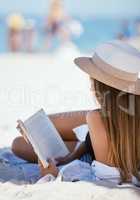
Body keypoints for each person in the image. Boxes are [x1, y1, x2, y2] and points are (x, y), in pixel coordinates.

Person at [12, 40, 140, 184]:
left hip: (100, 142)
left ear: (101, 86)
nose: (91, 88)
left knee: (20, 144)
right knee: (32, 130)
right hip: (100, 134)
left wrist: (51, 176)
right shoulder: (106, 117)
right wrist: (72, 156)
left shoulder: (96, 117)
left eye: (93, 80)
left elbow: (109, 179)